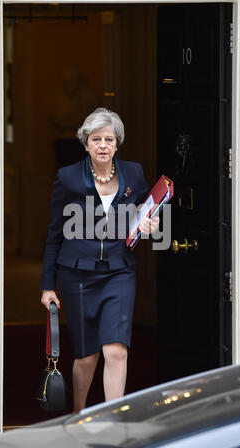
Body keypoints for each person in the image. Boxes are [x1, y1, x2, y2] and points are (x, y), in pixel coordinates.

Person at [40, 108, 159, 412]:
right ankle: (80, 416)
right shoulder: (67, 178)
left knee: (116, 349)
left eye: (109, 139)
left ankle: (113, 423)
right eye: (96, 139)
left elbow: (148, 211)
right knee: (87, 355)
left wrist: (152, 226)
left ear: (117, 143)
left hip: (119, 271)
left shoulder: (133, 173)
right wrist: (47, 285)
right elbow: (54, 232)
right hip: (77, 274)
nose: (103, 145)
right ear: (86, 144)